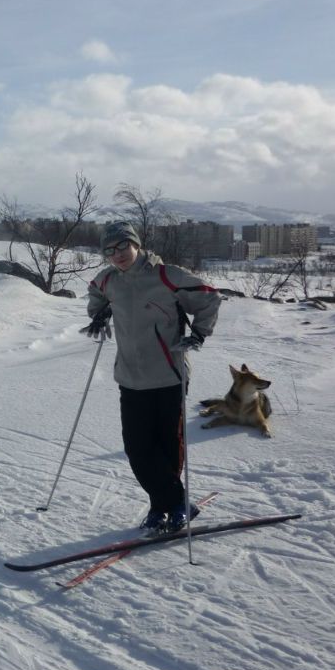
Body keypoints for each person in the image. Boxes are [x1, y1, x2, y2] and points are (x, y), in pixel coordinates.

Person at [84, 221, 220, 533]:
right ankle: (177, 502)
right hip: (130, 377)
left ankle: (162, 508)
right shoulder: (108, 279)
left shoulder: (166, 275)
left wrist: (199, 333)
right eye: (109, 250)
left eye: (122, 246)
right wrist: (100, 312)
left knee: (167, 448)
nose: (117, 254)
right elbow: (94, 293)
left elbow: (209, 297)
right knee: (137, 448)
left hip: (168, 377)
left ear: (136, 243)